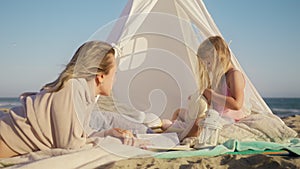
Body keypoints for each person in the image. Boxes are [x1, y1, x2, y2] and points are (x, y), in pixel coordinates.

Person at [0, 41, 135, 158]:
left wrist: (109, 133)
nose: (115, 79)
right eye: (114, 73)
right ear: (100, 76)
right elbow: (71, 146)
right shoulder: (71, 90)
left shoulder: (83, 93)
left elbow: (81, 134)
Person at [198, 35, 250, 122]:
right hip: (218, 116)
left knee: (197, 124)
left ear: (219, 58)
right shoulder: (220, 77)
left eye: (209, 63)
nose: (207, 68)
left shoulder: (234, 75)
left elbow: (237, 104)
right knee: (179, 113)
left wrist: (212, 95)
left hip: (231, 118)